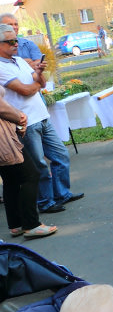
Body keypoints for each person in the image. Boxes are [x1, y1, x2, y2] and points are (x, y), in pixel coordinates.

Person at [0, 23, 82, 214]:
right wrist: (35, 83)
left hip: (42, 117)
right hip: (26, 122)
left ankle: (62, 193)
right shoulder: (1, 67)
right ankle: (45, 202)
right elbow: (25, 90)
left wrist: (38, 73)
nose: (16, 44)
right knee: (39, 164)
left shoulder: (19, 60)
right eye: (10, 41)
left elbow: (41, 83)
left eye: (16, 39)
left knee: (61, 156)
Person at [0, 83, 57, 238]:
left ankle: (16, 224)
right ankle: (31, 224)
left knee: (10, 179)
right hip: (4, 138)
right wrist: (20, 117)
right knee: (30, 175)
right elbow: (2, 107)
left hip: (5, 134)